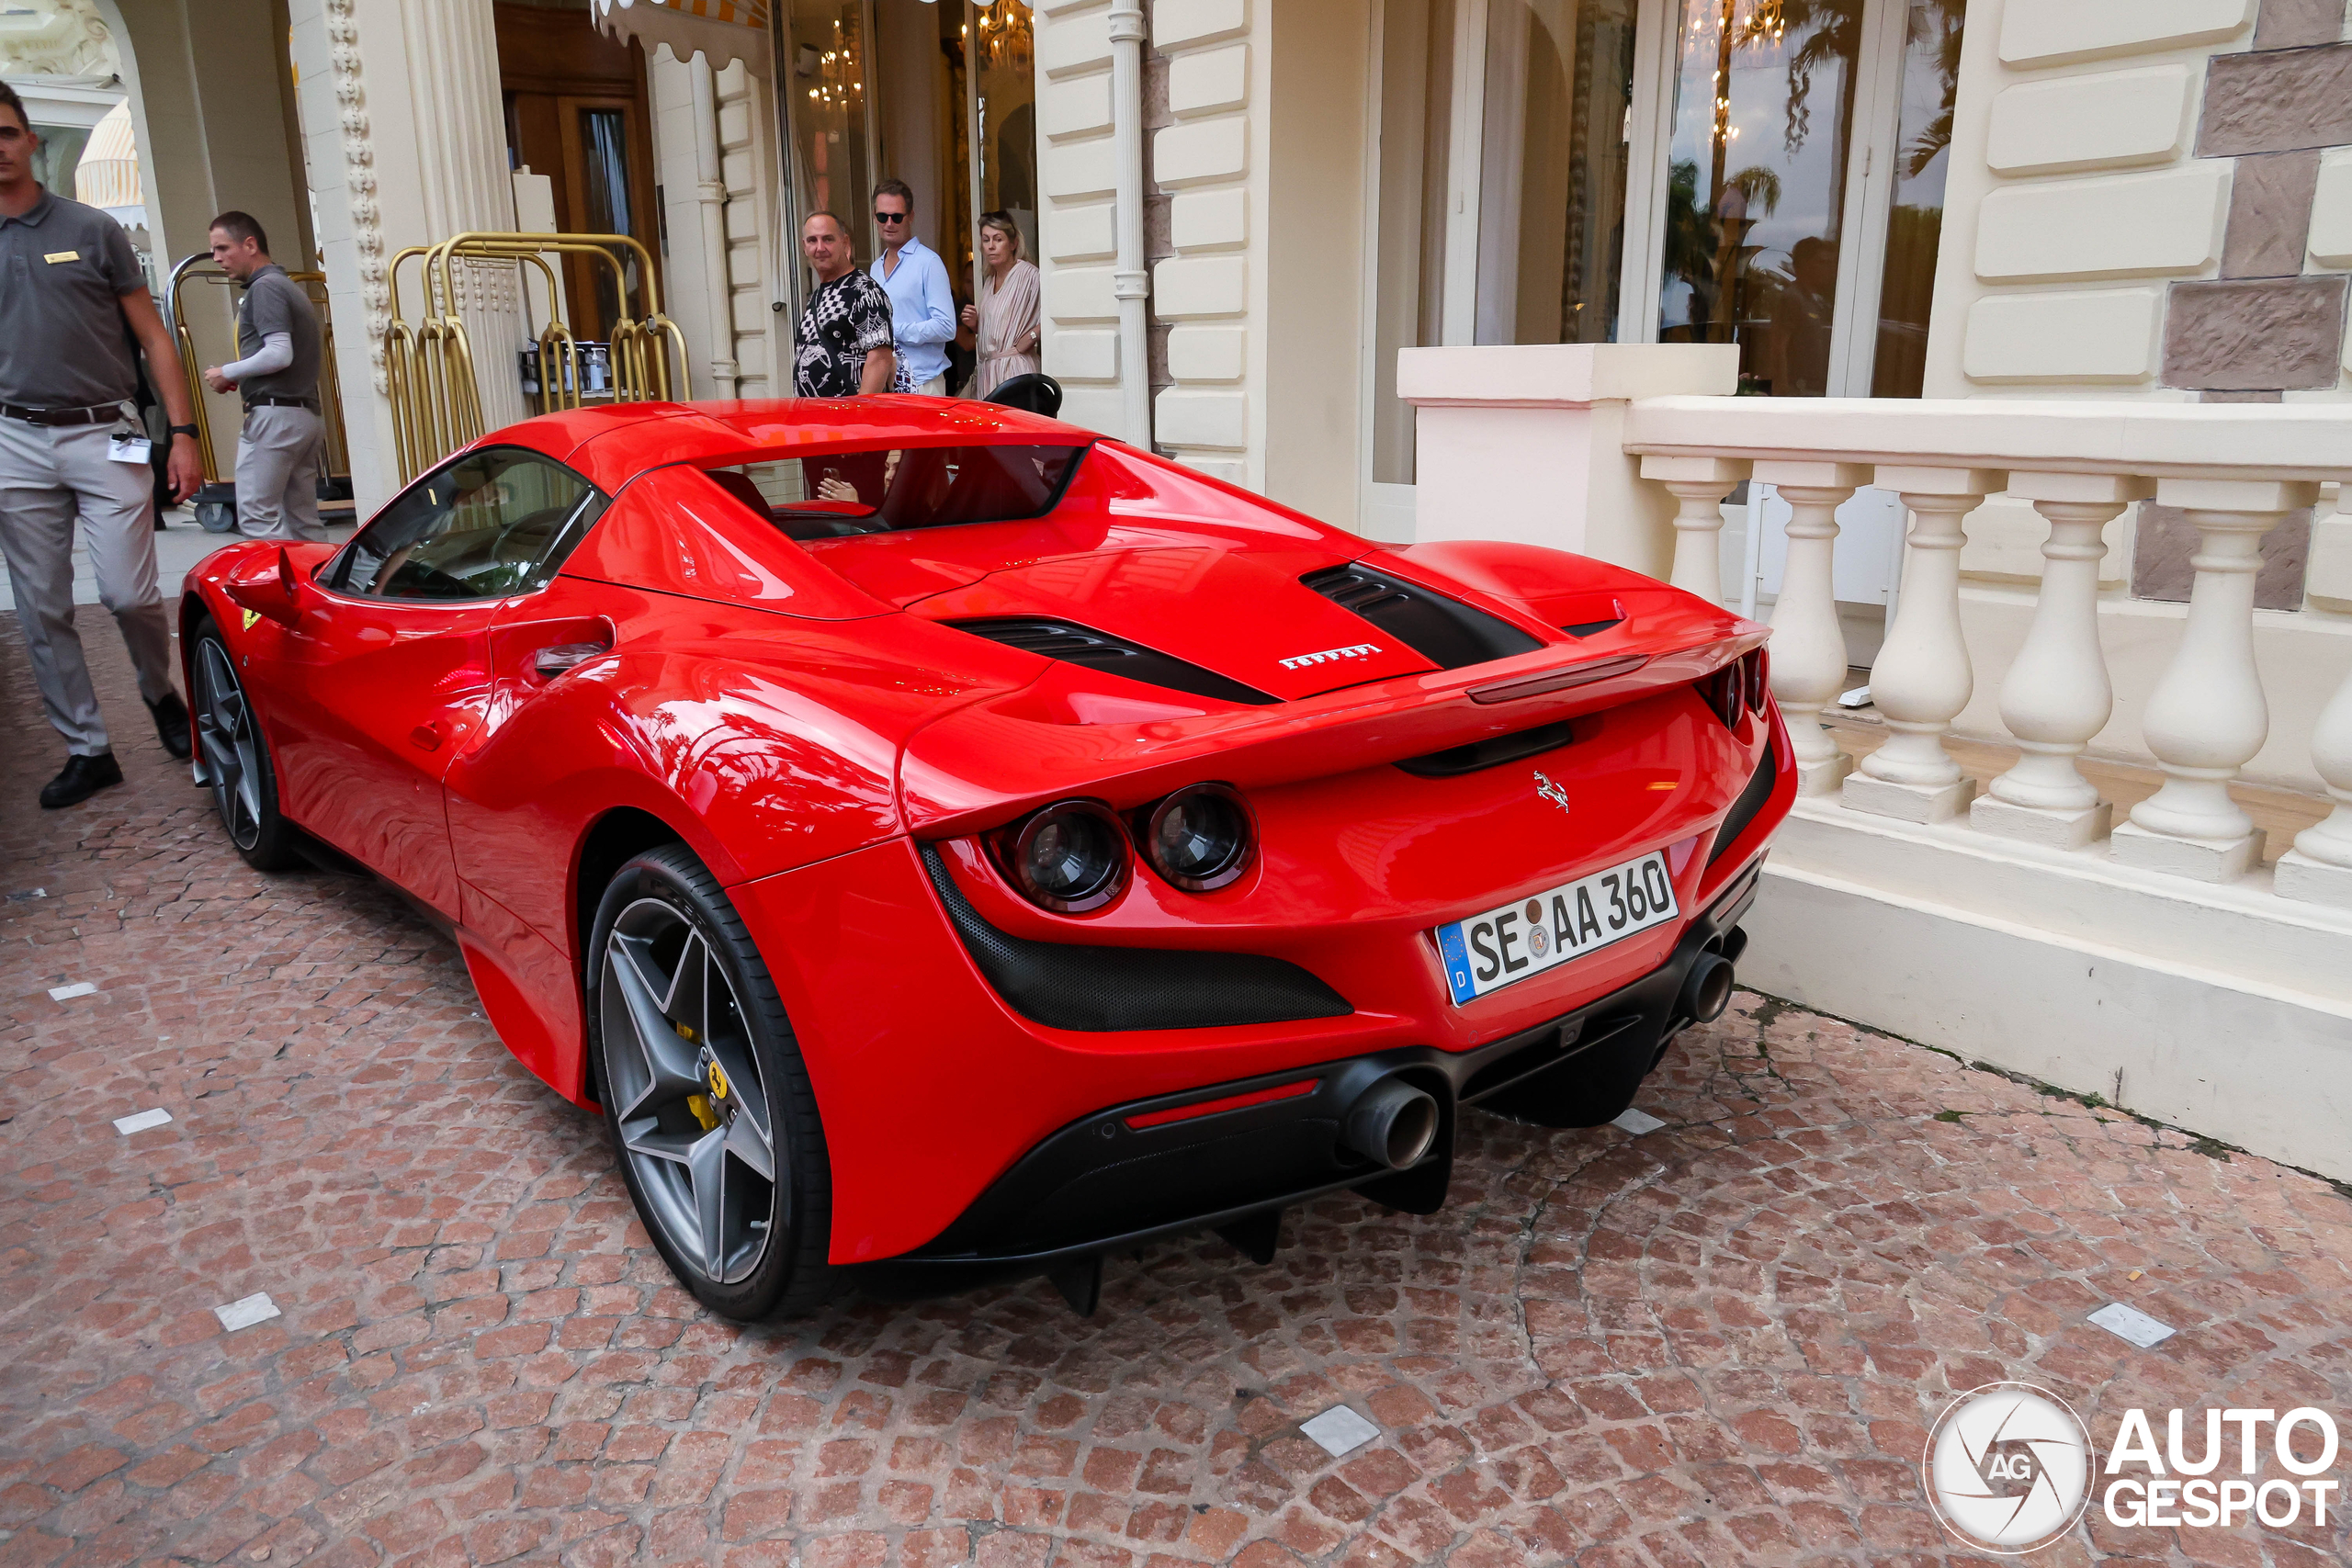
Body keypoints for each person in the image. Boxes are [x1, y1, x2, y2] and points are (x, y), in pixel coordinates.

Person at [0, 79, 201, 808]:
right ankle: (88, 748)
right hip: (13, 438)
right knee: (41, 606)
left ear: (29, 140)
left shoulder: (90, 229)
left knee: (128, 592)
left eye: (6, 133)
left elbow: (153, 337)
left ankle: (159, 692)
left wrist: (182, 434)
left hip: (106, 429)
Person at [201, 211, 328, 543]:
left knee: (260, 519)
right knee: (304, 522)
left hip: (275, 418)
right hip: (303, 415)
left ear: (250, 244)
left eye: (222, 248)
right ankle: (325, 589)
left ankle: (282, 593)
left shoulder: (265, 288)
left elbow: (278, 353)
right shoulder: (286, 285)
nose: (217, 258)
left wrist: (226, 371)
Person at [793, 210, 900, 400]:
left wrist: (859, 415)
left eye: (828, 239)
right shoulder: (818, 295)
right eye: (812, 240)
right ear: (804, 246)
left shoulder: (864, 291)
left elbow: (880, 359)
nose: (820, 248)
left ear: (844, 242)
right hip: (814, 421)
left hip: (848, 423)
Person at [868, 178, 955, 396]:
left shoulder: (928, 262)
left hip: (923, 382)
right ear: (874, 217)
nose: (889, 223)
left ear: (911, 217)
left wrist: (895, 331)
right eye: (882, 217)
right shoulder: (875, 269)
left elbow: (946, 326)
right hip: (885, 383)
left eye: (896, 217)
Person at [961, 210, 1040, 399]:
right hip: (988, 373)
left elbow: (1058, 309)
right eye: (986, 240)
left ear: (1013, 243)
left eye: (998, 239)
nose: (991, 246)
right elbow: (998, 327)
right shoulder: (989, 281)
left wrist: (1033, 334)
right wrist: (975, 324)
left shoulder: (1028, 275)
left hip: (1015, 370)